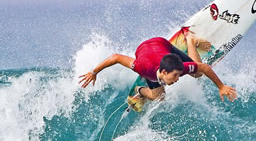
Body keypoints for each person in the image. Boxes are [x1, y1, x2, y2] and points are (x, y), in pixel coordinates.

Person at [79, 27, 237, 102]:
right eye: (175, 76)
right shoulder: (142, 67)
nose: (178, 78)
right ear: (163, 72)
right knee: (160, 97)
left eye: (178, 75)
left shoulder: (179, 70)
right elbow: (116, 57)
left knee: (197, 74)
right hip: (143, 50)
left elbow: (204, 67)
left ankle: (191, 40)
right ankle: (139, 90)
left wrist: (221, 86)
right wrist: (94, 72)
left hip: (162, 44)